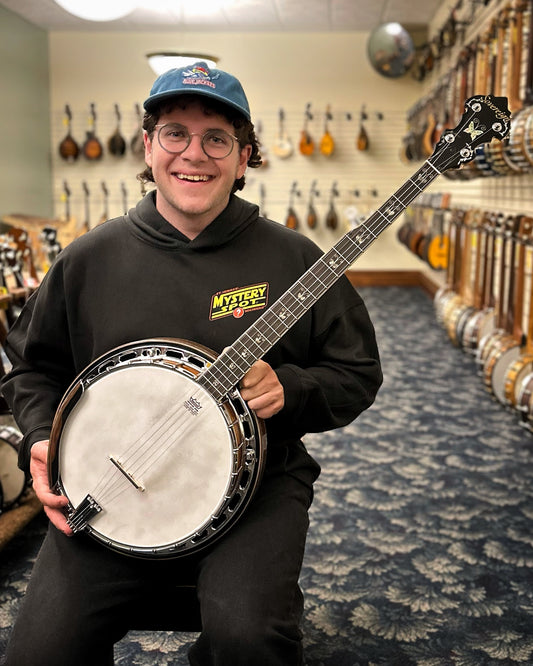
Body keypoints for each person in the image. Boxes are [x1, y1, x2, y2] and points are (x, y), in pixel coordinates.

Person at [1, 62, 382, 665]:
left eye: (217, 139)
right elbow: (29, 368)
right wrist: (43, 438)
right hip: (108, 485)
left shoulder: (294, 258)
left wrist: (291, 388)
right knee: (38, 656)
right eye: (175, 132)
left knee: (250, 641)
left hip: (255, 491)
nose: (193, 154)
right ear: (149, 146)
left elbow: (357, 372)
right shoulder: (89, 258)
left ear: (244, 156)